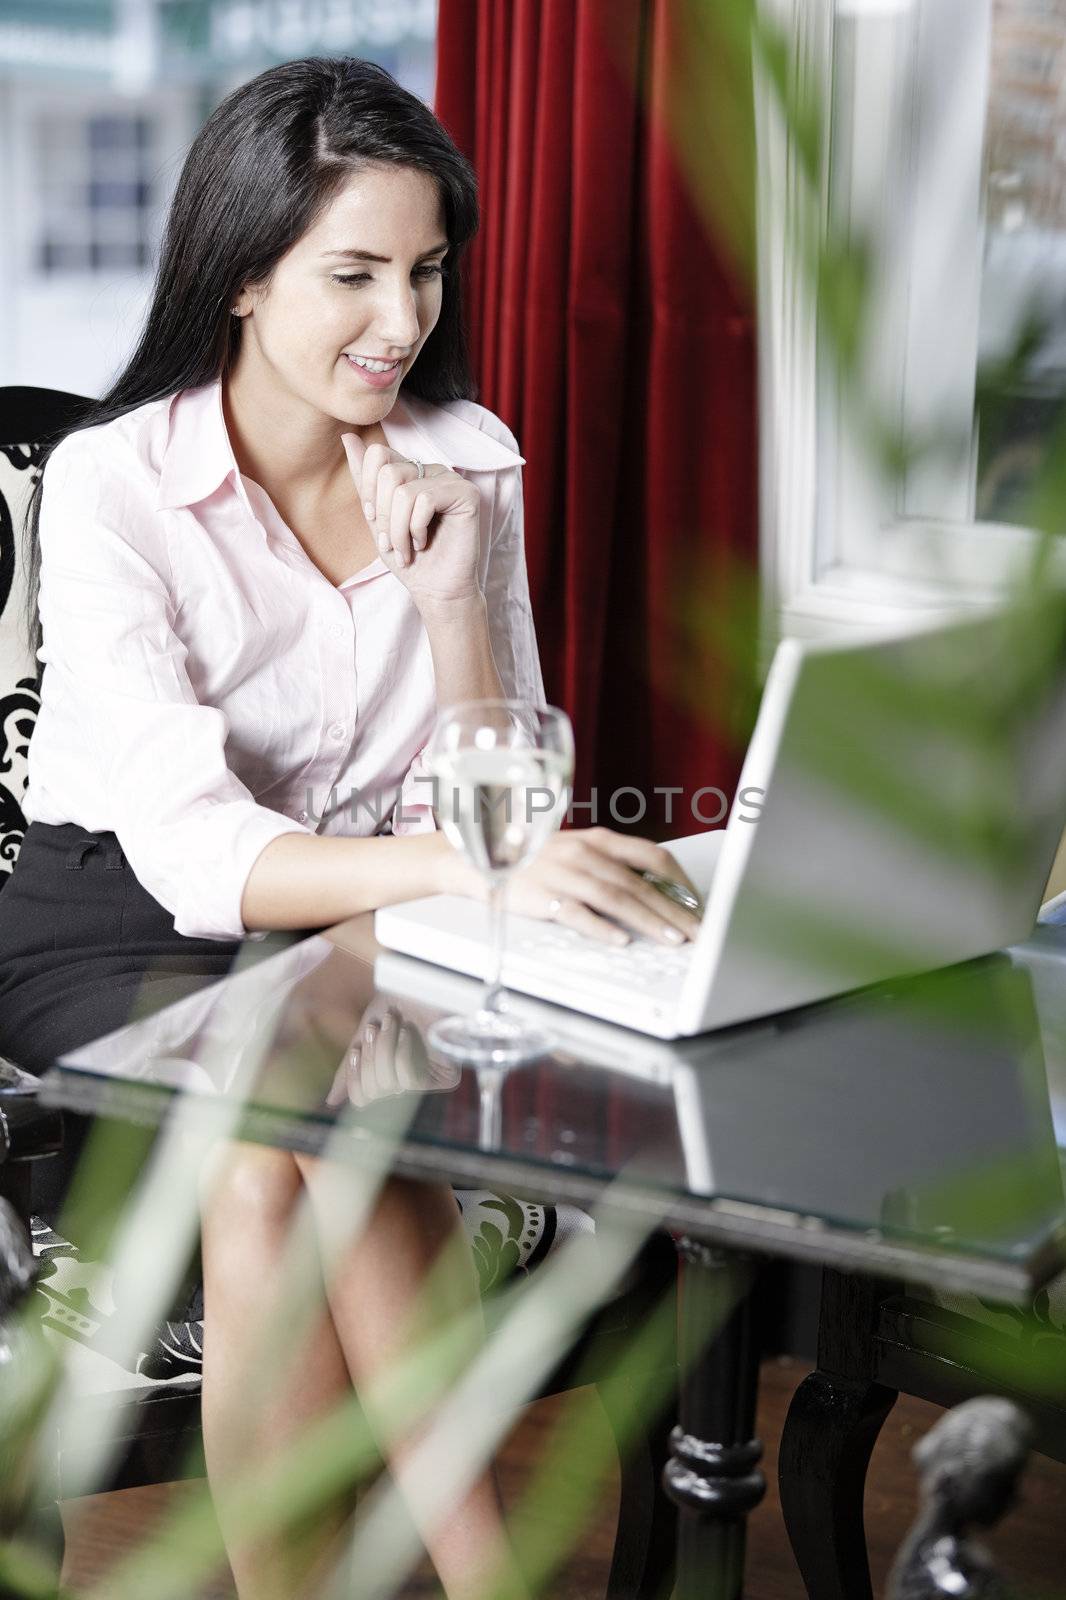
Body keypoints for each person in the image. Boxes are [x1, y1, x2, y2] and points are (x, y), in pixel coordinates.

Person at [0, 56, 699, 1598]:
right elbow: (200, 855)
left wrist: (452, 609)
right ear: (244, 275)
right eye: (356, 274)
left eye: (429, 270)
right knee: (299, 1123)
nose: (404, 322)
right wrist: (490, 867)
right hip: (119, 917)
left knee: (274, 1156)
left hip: (361, 916)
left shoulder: (469, 462)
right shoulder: (119, 482)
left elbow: (491, 800)